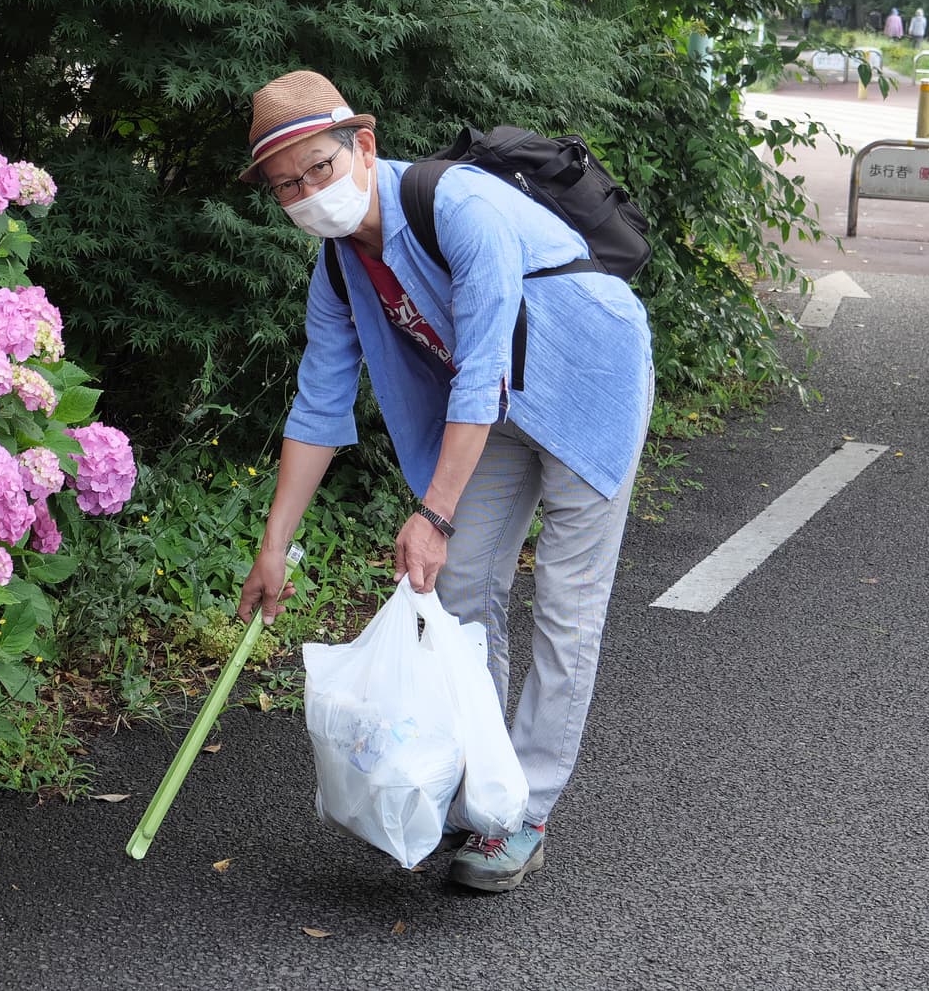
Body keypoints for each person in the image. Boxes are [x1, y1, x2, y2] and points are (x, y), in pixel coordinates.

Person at [234, 70, 653, 894]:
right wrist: (274, 545)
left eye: (318, 168)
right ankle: (481, 784)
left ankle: (523, 812)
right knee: (459, 591)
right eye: (286, 185)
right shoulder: (339, 269)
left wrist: (433, 511)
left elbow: (484, 360)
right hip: (496, 411)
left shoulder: (457, 204)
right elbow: (319, 402)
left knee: (566, 605)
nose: (307, 194)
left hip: (589, 383)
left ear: (363, 145)